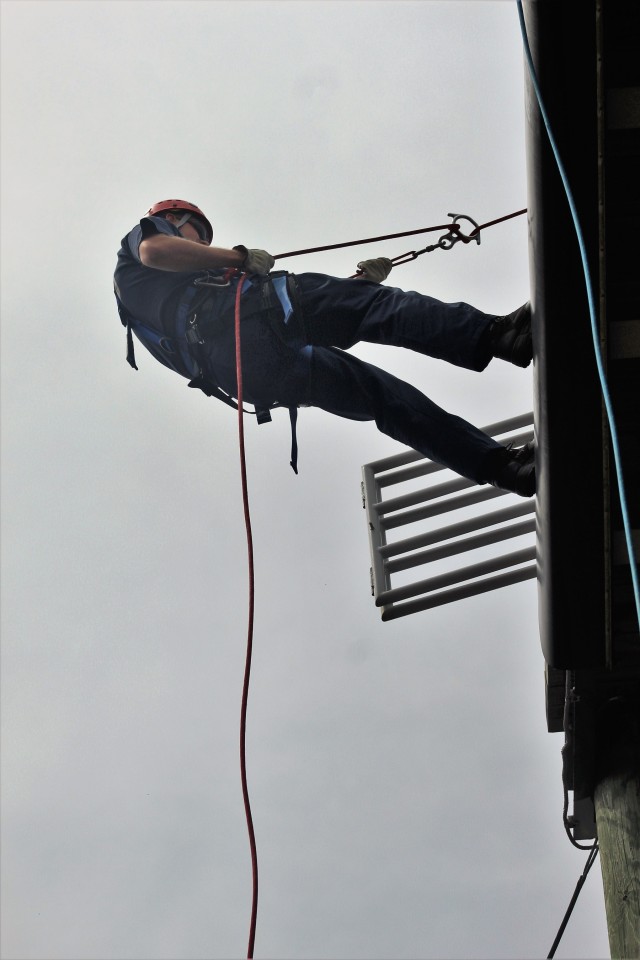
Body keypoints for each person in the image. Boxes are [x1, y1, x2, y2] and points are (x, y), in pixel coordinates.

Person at [114, 199, 535, 495]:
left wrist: (356, 286)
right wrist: (238, 256)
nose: (203, 244)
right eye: (197, 232)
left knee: (385, 398)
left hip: (256, 369)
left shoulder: (158, 303)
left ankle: (504, 469)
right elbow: (155, 250)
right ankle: (499, 335)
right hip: (251, 323)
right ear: (171, 216)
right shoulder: (143, 242)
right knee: (378, 309)